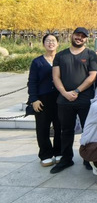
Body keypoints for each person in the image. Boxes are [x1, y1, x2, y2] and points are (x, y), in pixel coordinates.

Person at [50, 27, 97, 174]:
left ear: (86, 39)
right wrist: (64, 93)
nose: (80, 38)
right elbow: (56, 77)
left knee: (88, 130)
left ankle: (88, 158)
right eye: (78, 35)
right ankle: (66, 159)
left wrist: (77, 91)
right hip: (64, 100)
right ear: (72, 36)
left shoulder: (90, 54)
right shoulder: (61, 55)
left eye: (83, 36)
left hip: (84, 99)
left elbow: (92, 76)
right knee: (65, 130)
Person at [27, 33, 61, 167]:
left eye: (53, 41)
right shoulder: (37, 62)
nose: (50, 43)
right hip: (42, 99)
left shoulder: (62, 59)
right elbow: (32, 82)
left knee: (60, 126)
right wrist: (34, 99)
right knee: (42, 127)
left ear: (57, 43)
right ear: (43, 44)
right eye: (47, 41)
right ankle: (45, 154)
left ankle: (59, 152)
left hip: (59, 98)